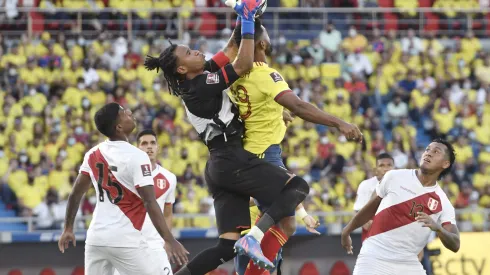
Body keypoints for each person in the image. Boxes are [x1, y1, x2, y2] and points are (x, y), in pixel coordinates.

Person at [144, 2, 310, 274]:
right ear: (182, 69)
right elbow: (243, 63)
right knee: (298, 187)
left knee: (225, 247)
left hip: (219, 167)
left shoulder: (201, 73)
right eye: (188, 52)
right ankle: (256, 238)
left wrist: (246, 15)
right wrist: (246, 18)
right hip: (232, 162)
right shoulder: (197, 88)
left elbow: (232, 48)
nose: (196, 50)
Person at [228, 19, 363, 275]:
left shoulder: (233, 75)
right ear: (262, 44)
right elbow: (299, 106)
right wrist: (339, 123)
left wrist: (277, 113)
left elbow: (252, 106)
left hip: (251, 153)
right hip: (264, 154)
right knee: (287, 219)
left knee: (274, 219)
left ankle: (251, 259)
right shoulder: (266, 74)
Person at [58, 103, 188, 275]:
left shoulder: (93, 153)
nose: (129, 112)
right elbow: (149, 201)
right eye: (123, 113)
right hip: (125, 239)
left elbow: (76, 193)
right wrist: (169, 239)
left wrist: (68, 228)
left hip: (96, 239)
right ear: (119, 127)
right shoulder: (138, 156)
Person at [341, 139, 461, 275]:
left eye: (436, 152)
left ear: (446, 164)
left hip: (409, 264)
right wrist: (347, 230)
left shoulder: (443, 202)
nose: (428, 154)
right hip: (374, 256)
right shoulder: (394, 176)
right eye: (427, 149)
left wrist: (438, 228)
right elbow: (370, 209)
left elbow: (455, 244)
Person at [113, 129, 177, 275]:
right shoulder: (125, 175)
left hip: (155, 246)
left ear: (158, 147)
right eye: (144, 143)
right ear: (138, 148)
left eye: (153, 143)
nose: (149, 147)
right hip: (128, 245)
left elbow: (167, 214)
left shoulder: (169, 178)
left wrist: (166, 241)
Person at [353, 153, 394, 243]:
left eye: (389, 165)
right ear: (375, 170)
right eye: (382, 166)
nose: (386, 169)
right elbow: (358, 211)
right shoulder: (366, 185)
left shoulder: (402, 186)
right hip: (372, 236)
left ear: (394, 169)